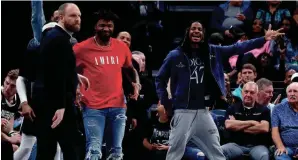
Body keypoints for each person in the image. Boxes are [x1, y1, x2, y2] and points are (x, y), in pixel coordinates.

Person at [155, 21, 283, 160]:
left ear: (203, 34)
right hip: (183, 111)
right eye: (193, 28)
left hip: (204, 111)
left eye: (200, 29)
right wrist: (166, 102)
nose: (196, 31)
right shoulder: (175, 55)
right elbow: (160, 79)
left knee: (216, 151)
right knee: (175, 152)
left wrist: (263, 39)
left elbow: (237, 47)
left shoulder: (213, 51)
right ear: (188, 32)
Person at [73, 10, 139, 160]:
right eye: (102, 25)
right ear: (95, 27)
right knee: (94, 151)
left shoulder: (121, 47)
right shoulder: (81, 48)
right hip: (92, 107)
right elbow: (67, 69)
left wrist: (136, 83)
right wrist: (76, 88)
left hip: (118, 106)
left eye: (109, 26)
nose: (106, 29)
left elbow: (131, 69)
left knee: (116, 152)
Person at [32, 3, 82, 160]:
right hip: (56, 104)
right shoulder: (59, 39)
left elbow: (56, 68)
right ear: (61, 18)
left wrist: (77, 77)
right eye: (73, 15)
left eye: (79, 16)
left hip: (50, 101)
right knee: (67, 148)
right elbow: (55, 75)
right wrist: (61, 106)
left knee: (49, 149)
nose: (78, 19)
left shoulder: (56, 37)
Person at [222, 82, 271, 160]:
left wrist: (237, 126)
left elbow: (264, 128)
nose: (248, 95)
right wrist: (252, 122)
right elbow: (228, 125)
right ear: (242, 93)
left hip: (257, 146)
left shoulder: (264, 110)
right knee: (220, 151)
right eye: (246, 91)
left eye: (252, 92)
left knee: (263, 155)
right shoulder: (232, 108)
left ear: (257, 94)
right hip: (236, 145)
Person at [271, 82, 298, 160]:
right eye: (290, 91)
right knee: (280, 157)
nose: (292, 94)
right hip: (286, 148)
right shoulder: (278, 109)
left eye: (295, 91)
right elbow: (274, 131)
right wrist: (280, 146)